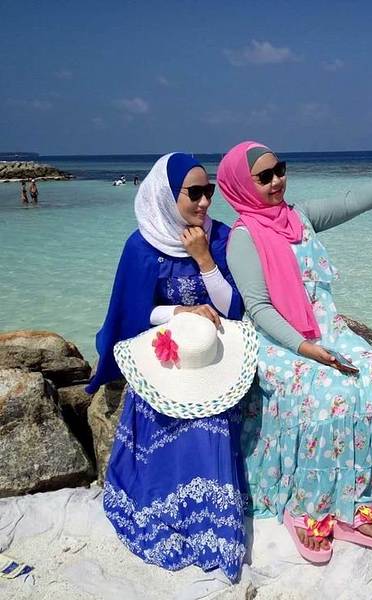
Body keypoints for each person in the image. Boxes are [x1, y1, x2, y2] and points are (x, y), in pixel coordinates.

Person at [217, 141, 372, 563]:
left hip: (326, 329)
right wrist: (306, 349)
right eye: (264, 177)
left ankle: (355, 500)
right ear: (242, 184)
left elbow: (355, 201)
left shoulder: (298, 218)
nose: (277, 180)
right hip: (279, 341)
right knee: (323, 392)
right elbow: (258, 309)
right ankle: (306, 506)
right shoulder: (243, 239)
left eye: (280, 169)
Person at [86, 153, 246, 581]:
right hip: (166, 352)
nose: (205, 202)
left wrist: (204, 259)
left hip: (212, 355)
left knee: (212, 421)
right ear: (166, 195)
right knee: (159, 417)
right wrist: (179, 312)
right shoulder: (141, 246)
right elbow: (132, 312)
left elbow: (234, 308)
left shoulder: (219, 237)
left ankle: (210, 525)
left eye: (209, 191)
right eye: (194, 193)